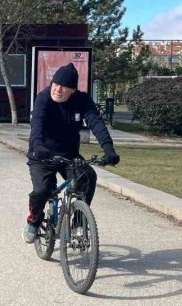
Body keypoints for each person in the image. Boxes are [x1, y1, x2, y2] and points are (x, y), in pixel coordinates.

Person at [24, 63, 120, 243]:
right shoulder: (43, 98)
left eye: (64, 87)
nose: (58, 90)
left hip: (69, 154)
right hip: (41, 154)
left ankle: (78, 223)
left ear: (73, 90)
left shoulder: (82, 100)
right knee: (43, 190)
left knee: (88, 176)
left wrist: (108, 149)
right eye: (56, 85)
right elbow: (37, 123)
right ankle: (34, 220)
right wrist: (37, 145)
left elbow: (96, 122)